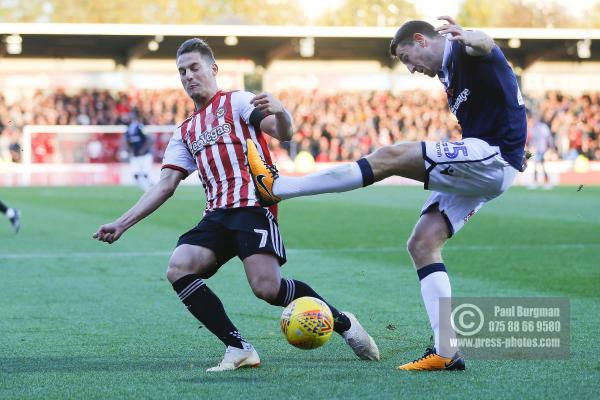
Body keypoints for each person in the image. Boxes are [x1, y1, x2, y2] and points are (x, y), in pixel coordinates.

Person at [247, 16, 527, 371]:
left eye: (408, 58)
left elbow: (486, 45)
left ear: (421, 39)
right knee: (422, 243)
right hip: (491, 161)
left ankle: (279, 187)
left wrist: (470, 36)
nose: (410, 69)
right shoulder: (448, 75)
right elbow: (502, 103)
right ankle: (446, 352)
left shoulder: (464, 51)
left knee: (390, 156)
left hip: (493, 156)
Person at [93, 38, 379, 372]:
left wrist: (281, 110)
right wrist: (121, 223)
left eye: (194, 68)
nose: (188, 76)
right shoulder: (184, 131)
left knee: (268, 290)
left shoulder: (238, 102)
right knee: (178, 267)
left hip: (253, 207)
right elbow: (166, 184)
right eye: (181, 71)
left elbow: (281, 132)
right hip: (216, 215)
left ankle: (343, 322)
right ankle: (238, 347)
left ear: (213, 69)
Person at [123, 110, 154, 191]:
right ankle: (147, 190)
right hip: (135, 155)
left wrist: (143, 149)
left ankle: (150, 189)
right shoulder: (128, 130)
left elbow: (149, 139)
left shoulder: (140, 127)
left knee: (145, 174)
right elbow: (128, 142)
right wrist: (129, 151)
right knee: (136, 175)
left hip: (145, 155)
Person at [528, 113, 553, 189]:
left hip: (542, 149)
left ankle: (547, 182)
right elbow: (531, 139)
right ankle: (535, 181)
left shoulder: (543, 127)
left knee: (542, 166)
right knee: (536, 166)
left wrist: (550, 148)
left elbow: (548, 138)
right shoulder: (533, 127)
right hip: (536, 149)